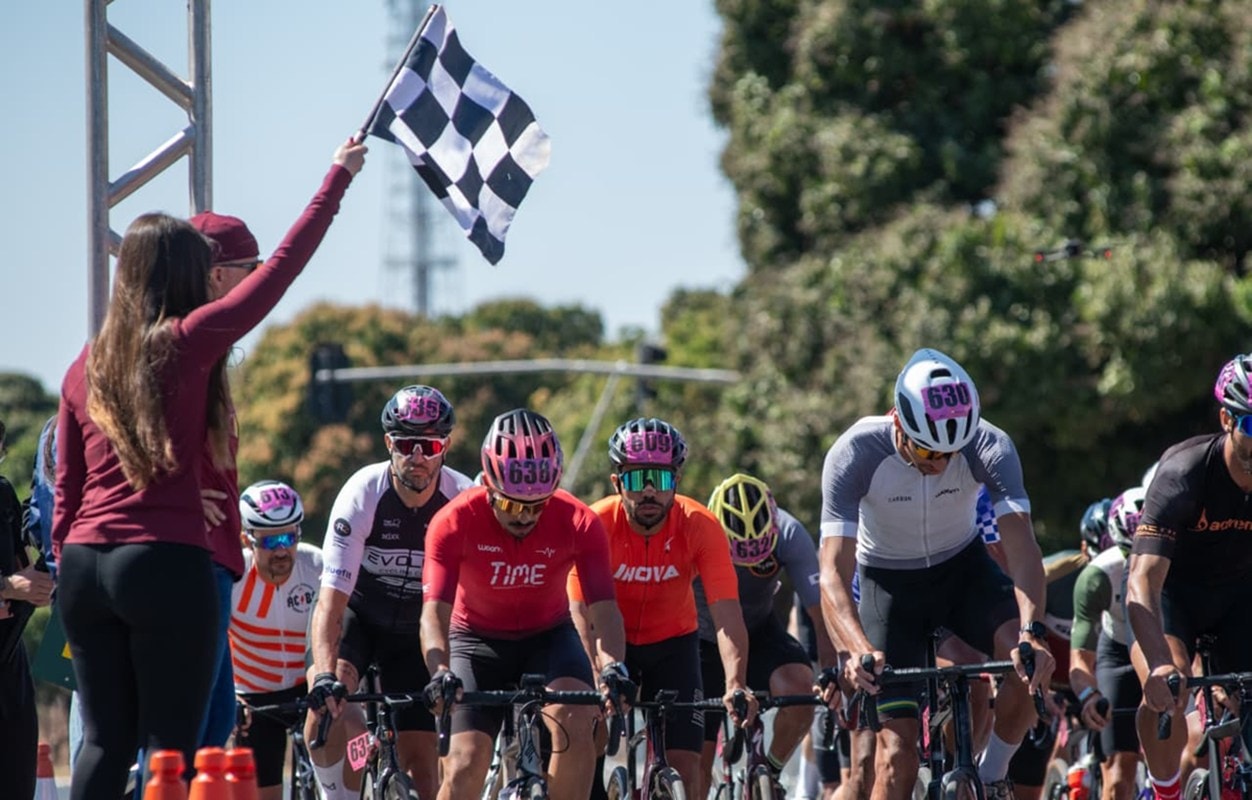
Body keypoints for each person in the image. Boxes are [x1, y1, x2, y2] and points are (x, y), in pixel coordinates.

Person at [52, 135, 367, 799]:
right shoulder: (184, 343)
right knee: (177, 747)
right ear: (181, 276)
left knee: (104, 743)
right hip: (161, 562)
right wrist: (336, 181)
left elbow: (67, 489)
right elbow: (281, 271)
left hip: (83, 569)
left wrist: (67, 567)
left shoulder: (86, 363)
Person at [819, 347, 1054, 800]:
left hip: (963, 573)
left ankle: (991, 775)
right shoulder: (855, 452)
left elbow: (1023, 547)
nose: (940, 464)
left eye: (951, 452)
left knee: (1028, 663)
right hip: (888, 588)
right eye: (928, 450)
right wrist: (856, 647)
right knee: (896, 760)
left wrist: (1033, 632)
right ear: (899, 422)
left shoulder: (989, 445)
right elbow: (832, 571)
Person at [420, 408, 629, 800]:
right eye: (513, 505)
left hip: (549, 638)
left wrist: (614, 666)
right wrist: (440, 670)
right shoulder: (453, 522)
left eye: (538, 505)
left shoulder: (579, 521)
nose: (526, 516)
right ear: (488, 486)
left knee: (578, 725)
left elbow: (604, 608)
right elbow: (434, 613)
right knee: (465, 763)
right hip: (475, 642)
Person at [569, 417, 756, 800]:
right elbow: (578, 611)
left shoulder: (700, 525)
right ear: (617, 482)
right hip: (609, 645)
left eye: (661, 479)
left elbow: (726, 615)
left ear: (677, 481)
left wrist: (736, 683)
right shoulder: (595, 523)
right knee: (588, 741)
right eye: (638, 479)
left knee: (687, 770)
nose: (650, 492)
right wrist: (598, 674)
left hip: (674, 645)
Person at [304, 385, 470, 800]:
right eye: (406, 444)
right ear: (388, 444)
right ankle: (338, 795)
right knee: (331, 713)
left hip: (419, 633)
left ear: (446, 447)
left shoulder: (462, 499)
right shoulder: (363, 493)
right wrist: (324, 676)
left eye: (430, 445)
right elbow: (331, 604)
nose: (418, 456)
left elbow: (472, 600)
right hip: (359, 620)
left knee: (424, 776)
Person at [1129, 354, 1252, 800]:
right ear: (1227, 419)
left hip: (1240, 596)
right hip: (1173, 595)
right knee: (1169, 685)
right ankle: (1165, 791)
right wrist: (1158, 662)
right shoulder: (1183, 473)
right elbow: (1143, 582)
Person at [189, 209, 278, 749]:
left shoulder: (210, 353)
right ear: (218, 274)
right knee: (186, 729)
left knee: (216, 721)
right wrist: (178, 497)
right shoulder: (182, 349)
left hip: (214, 558)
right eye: (253, 267)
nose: (260, 278)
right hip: (189, 560)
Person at [696, 472, 837, 795]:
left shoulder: (789, 532)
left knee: (801, 691)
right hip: (702, 640)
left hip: (758, 630)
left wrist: (831, 671)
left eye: (757, 554)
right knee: (697, 765)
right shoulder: (696, 531)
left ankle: (769, 773)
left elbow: (821, 616)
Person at [230, 480, 322, 800]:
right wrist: (227, 697)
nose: (283, 551)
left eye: (290, 537)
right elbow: (210, 645)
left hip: (308, 690)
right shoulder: (233, 577)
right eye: (271, 541)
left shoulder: (316, 566)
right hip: (253, 697)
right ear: (247, 539)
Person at [1070, 487, 1146, 800]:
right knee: (1118, 777)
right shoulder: (1098, 576)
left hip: (1167, 648)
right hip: (1118, 653)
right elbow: (1080, 658)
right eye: (1132, 554)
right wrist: (1089, 696)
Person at [0, 419, 54, 800]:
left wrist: (40, 581)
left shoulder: (3, 495)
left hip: (9, 661)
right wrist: (8, 586)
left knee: (17, 783)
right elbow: (12, 583)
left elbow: (23, 570)